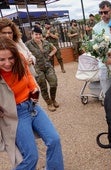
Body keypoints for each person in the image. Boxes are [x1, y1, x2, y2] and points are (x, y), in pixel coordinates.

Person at [0, 36, 64, 170]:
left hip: (32, 106)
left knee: (54, 140)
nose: (7, 63)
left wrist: (33, 87)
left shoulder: (21, 60)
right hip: (16, 114)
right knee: (31, 157)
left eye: (10, 58)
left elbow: (28, 75)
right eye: (2, 59)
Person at [26, 26, 59, 112]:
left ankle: (53, 99)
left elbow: (54, 49)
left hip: (48, 66)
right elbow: (22, 54)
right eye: (36, 34)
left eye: (39, 34)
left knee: (54, 83)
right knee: (43, 86)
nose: (38, 36)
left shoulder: (46, 42)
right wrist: (28, 60)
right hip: (37, 68)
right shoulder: (28, 44)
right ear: (32, 35)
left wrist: (49, 55)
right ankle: (49, 103)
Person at [92, 0, 111, 97]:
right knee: (107, 92)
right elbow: (94, 47)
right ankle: (110, 111)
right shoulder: (96, 28)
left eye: (105, 12)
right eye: (101, 12)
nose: (103, 14)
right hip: (103, 63)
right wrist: (103, 57)